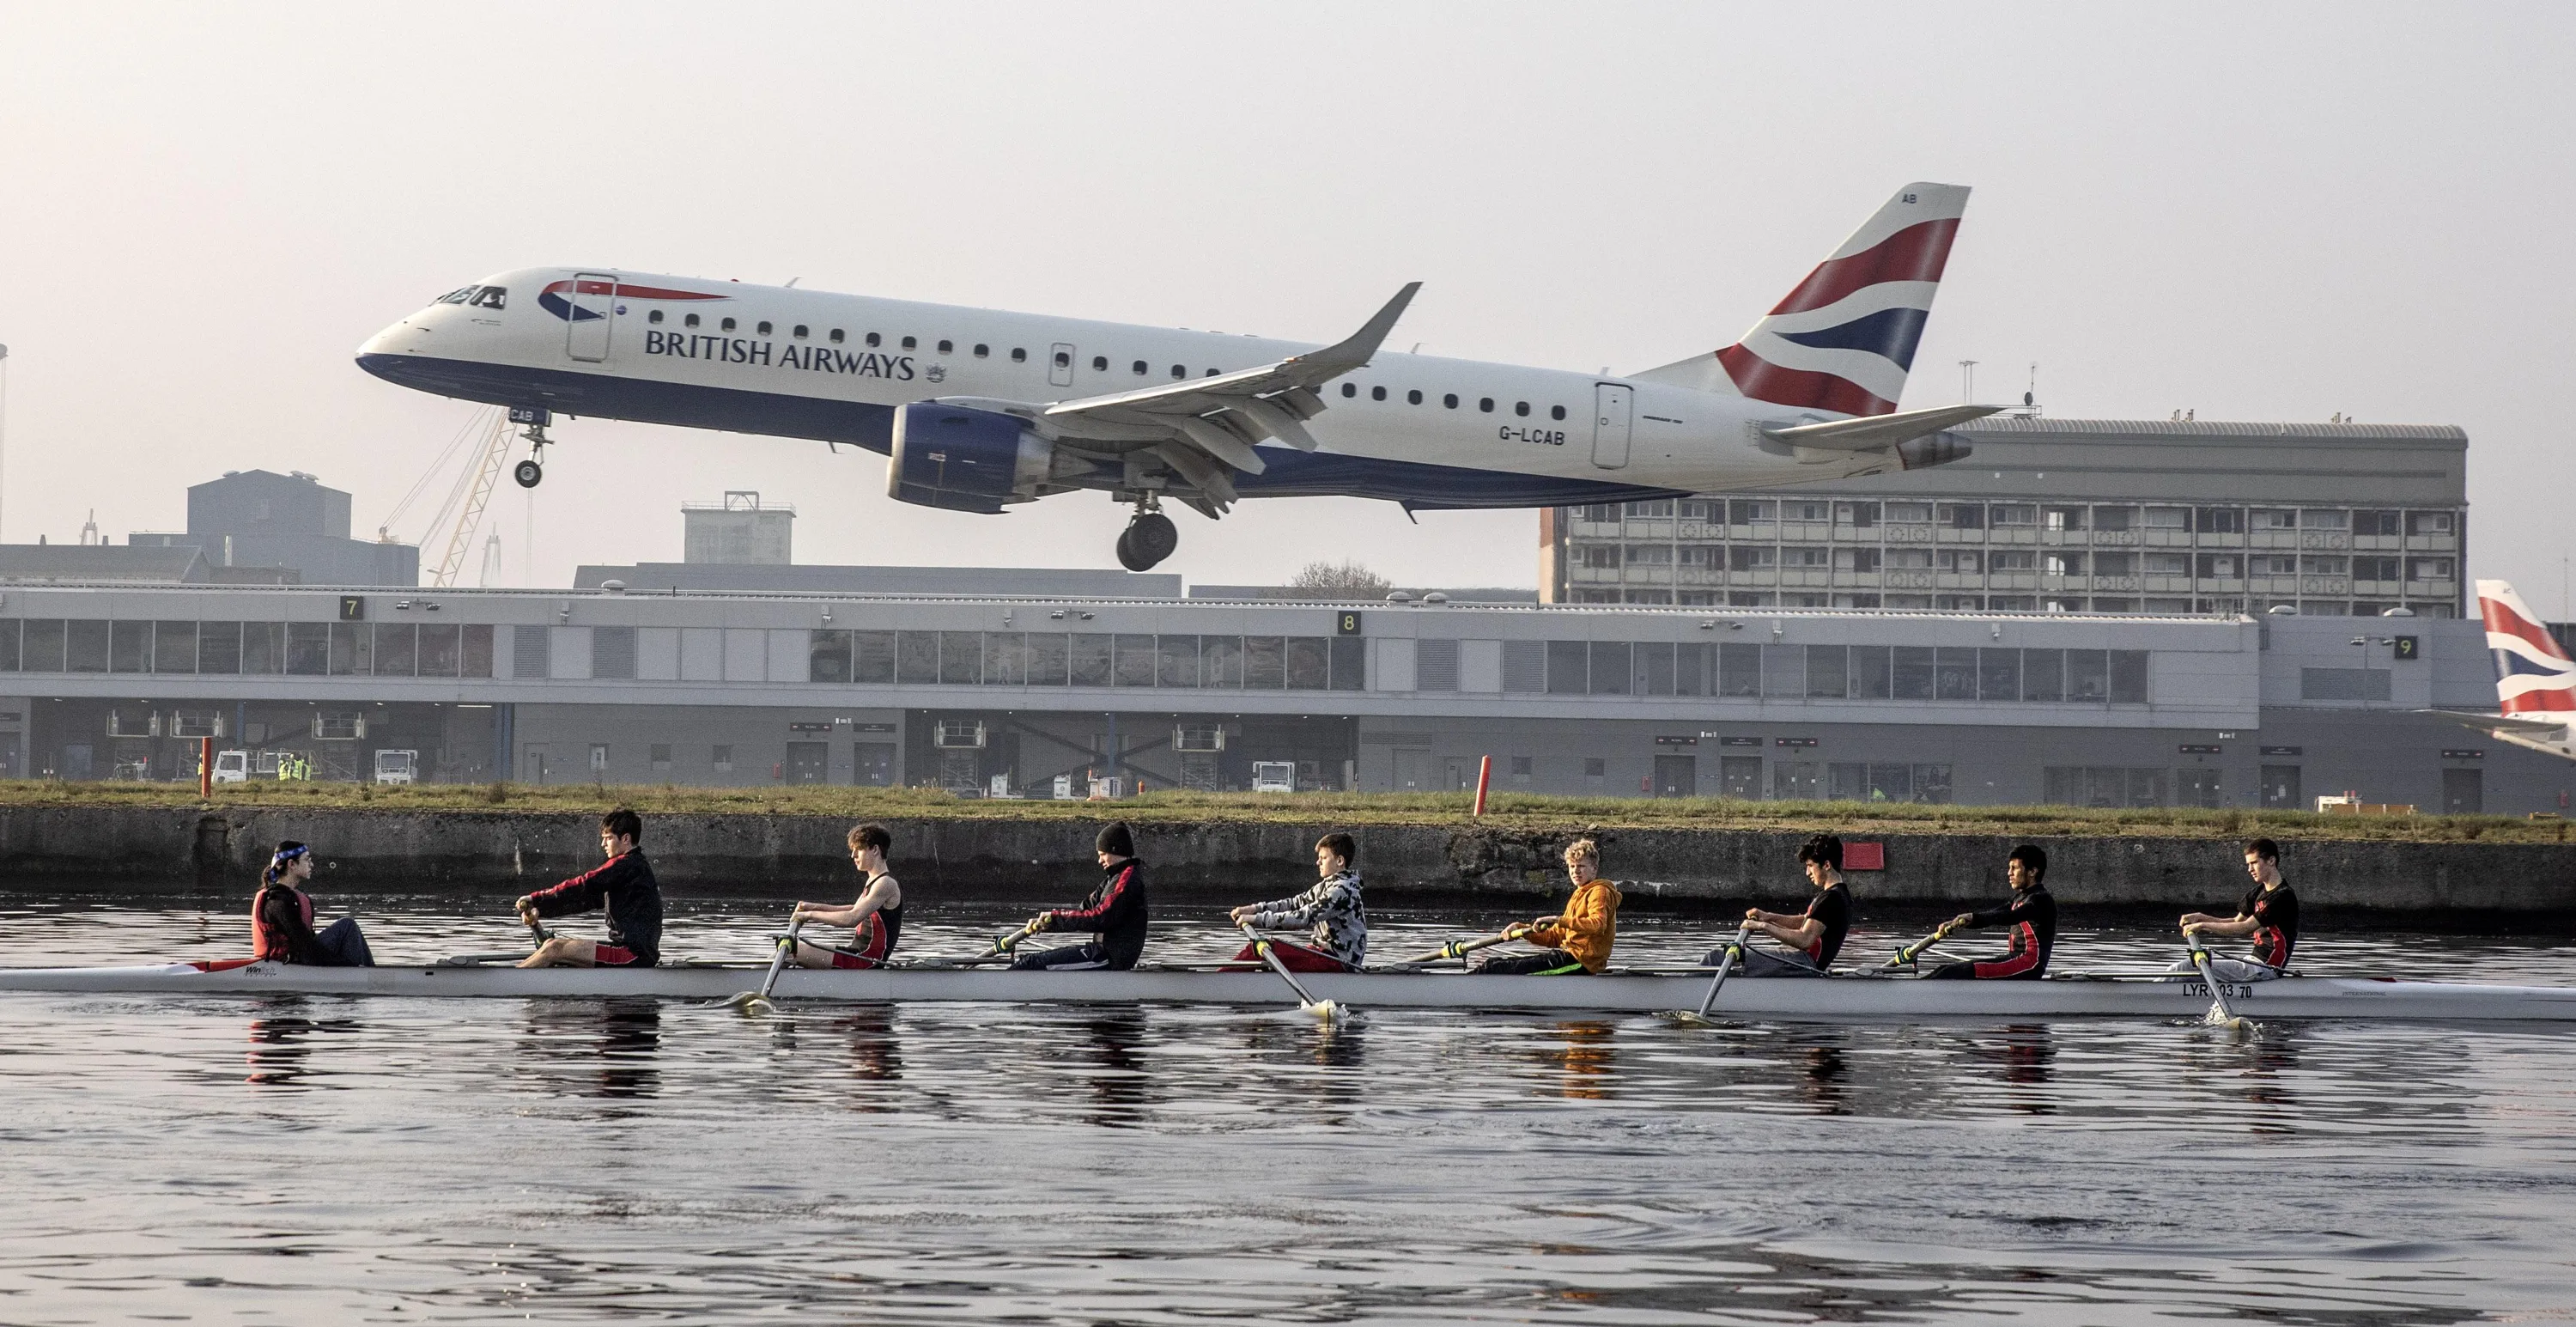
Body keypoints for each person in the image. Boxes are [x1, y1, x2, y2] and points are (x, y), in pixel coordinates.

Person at [518, 808, 662, 968]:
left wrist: (537, 898)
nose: (603, 844)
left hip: (632, 955)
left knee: (554, 948)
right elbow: (585, 901)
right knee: (550, 945)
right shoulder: (633, 870)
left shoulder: (627, 865)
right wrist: (541, 909)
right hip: (633, 952)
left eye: (608, 838)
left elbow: (584, 884)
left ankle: (510, 979)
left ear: (626, 839)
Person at [1012, 821, 1149, 971]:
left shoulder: (1126, 880)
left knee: (1030, 964)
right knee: (1027, 960)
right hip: (1101, 952)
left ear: (1116, 850)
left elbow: (1101, 916)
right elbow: (1084, 910)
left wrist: (1056, 918)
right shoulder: (1113, 878)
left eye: (1103, 854)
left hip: (1110, 958)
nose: (1099, 860)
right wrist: (1047, 923)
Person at [1475, 837, 1621, 976]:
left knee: (1496, 969)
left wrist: (1557, 920)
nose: (1575, 871)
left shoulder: (1600, 892)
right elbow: (1554, 937)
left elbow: (1597, 925)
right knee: (1493, 963)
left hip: (1581, 963)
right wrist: (1521, 929)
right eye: (1572, 866)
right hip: (1567, 957)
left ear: (1594, 869)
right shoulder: (1578, 895)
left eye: (1581, 866)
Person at [1713, 833, 1852, 977]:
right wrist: (1768, 917)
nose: (1807, 872)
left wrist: (1763, 926)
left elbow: (1805, 940)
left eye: (1810, 866)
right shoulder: (1838, 894)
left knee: (1716, 957)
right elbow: (1805, 921)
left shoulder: (1831, 898)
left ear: (1827, 865)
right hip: (1799, 959)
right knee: (1726, 957)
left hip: (1802, 963)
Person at [1228, 832, 1368, 971]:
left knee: (1258, 950)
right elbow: (1294, 904)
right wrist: (1255, 909)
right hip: (1323, 954)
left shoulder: (1342, 890)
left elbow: (1303, 917)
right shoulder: (1327, 886)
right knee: (1266, 953)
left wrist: (1256, 919)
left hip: (1338, 962)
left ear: (1340, 861)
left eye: (1323, 858)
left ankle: (1222, 981)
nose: (1318, 862)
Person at [2173, 837, 2300, 982]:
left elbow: (2245, 928)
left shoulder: (2282, 897)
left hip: (2267, 968)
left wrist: (2202, 926)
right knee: (2186, 972)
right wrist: (2201, 917)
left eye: (2254, 863)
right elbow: (2236, 921)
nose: (2250, 869)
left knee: (2184, 968)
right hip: (2252, 963)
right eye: (2248, 864)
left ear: (2271, 861)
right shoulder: (2258, 892)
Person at [1927, 843, 2056, 980]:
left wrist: (1973, 917)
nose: (2009, 873)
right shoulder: (2019, 898)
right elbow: (1992, 915)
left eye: (2015, 868)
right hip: (2016, 960)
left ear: (2032, 872)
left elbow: (2011, 916)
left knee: (1953, 972)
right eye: (2010, 868)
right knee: (1943, 969)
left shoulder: (2041, 899)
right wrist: (1955, 923)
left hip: (2030, 965)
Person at [789, 823, 904, 970]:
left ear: (875, 850)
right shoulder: (874, 881)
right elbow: (853, 909)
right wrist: (812, 907)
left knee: (793, 950)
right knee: (788, 950)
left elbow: (851, 918)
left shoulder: (885, 883)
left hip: (866, 959)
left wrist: (809, 915)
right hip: (859, 955)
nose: (853, 855)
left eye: (859, 849)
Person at [251, 841, 374, 966]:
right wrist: (345, 963)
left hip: (301, 957)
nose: (311, 864)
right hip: (288, 963)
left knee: (348, 927)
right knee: (347, 926)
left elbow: (307, 942)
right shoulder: (277, 901)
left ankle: (366, 971)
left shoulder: (290, 897)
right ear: (291, 864)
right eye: (307, 860)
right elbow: (306, 947)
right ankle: (363, 972)